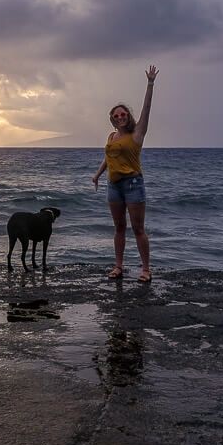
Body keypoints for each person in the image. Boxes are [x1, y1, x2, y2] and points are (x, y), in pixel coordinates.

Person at [92, 65, 158, 283]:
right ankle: (118, 266)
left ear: (128, 116)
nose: (120, 117)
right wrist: (98, 175)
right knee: (119, 227)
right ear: (112, 118)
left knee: (138, 228)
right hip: (114, 186)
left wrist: (150, 83)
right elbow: (109, 158)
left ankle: (146, 269)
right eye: (116, 115)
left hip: (133, 184)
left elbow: (146, 109)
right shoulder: (112, 136)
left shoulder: (137, 133)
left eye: (123, 114)